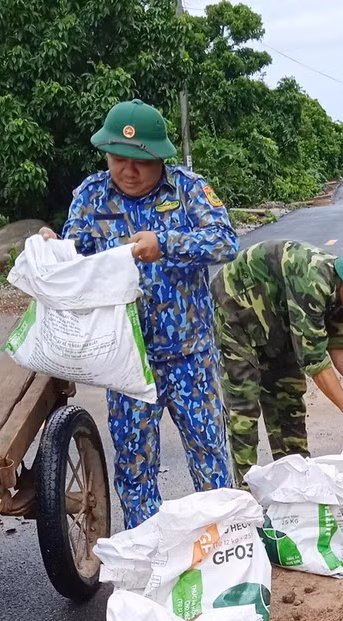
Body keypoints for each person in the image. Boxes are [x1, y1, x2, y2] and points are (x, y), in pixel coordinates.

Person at [40, 98, 238, 529]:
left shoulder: (188, 189)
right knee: (134, 467)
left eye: (140, 163)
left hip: (190, 356)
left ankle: (224, 553)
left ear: (160, 157)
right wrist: (52, 245)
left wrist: (165, 243)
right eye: (118, 160)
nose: (128, 171)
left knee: (209, 455)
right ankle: (149, 563)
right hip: (127, 361)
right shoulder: (92, 196)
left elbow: (225, 241)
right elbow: (76, 258)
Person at [212, 239, 343, 484]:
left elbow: (338, 347)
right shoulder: (313, 281)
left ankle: (297, 480)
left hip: (278, 319)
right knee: (244, 402)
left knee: (289, 396)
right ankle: (245, 491)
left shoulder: (340, 294)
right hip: (235, 310)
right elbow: (315, 361)